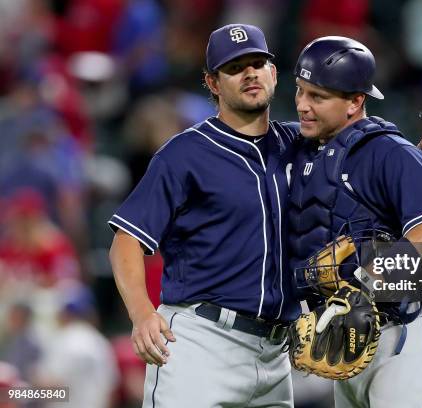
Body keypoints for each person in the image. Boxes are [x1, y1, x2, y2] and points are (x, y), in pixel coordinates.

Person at [108, 24, 302, 407]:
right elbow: (126, 241)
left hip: (278, 353)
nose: (250, 73)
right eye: (234, 68)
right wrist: (142, 313)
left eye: (257, 63)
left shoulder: (299, 145)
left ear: (274, 73)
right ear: (212, 83)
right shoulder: (183, 155)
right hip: (202, 342)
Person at [288, 36, 422, 407]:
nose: (303, 105)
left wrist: (367, 283)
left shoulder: (388, 152)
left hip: (407, 333)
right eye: (300, 91)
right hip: (350, 341)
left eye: (317, 97)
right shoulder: (312, 153)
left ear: (356, 101)